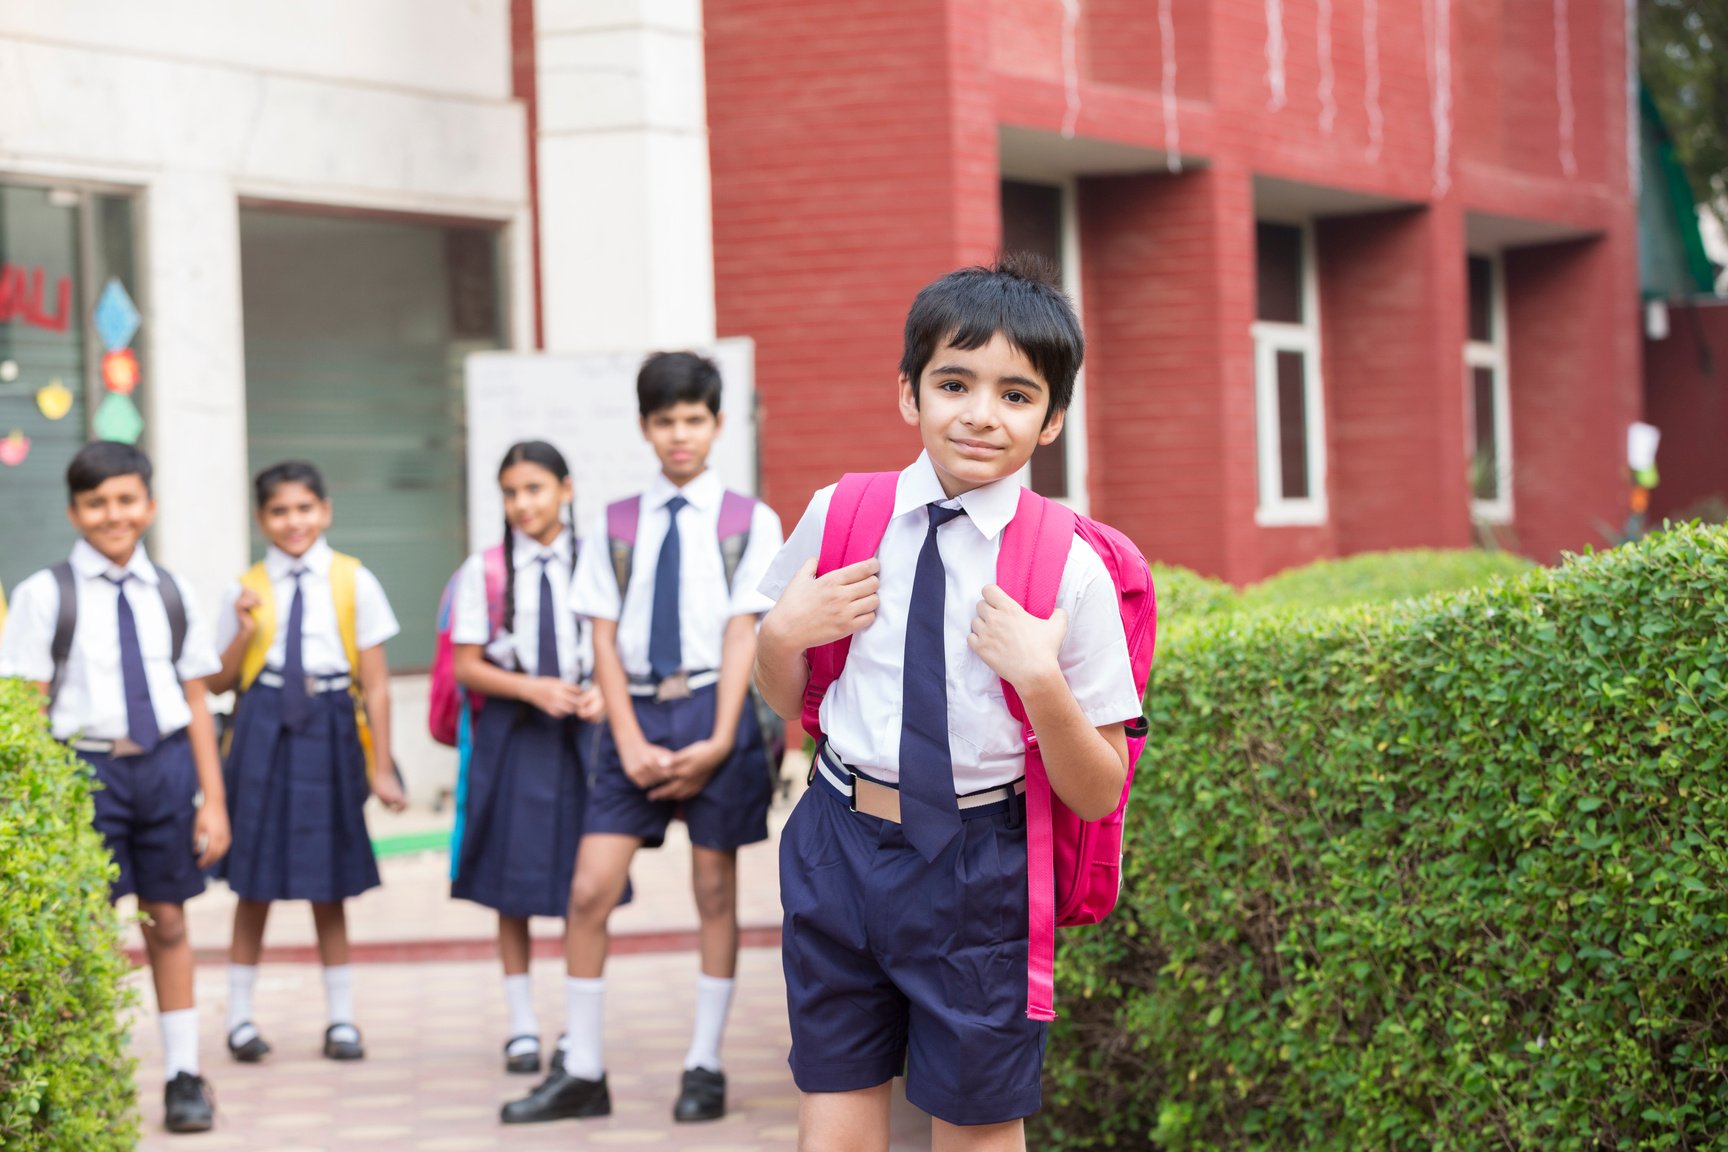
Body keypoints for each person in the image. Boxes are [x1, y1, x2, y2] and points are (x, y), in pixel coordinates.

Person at [753, 256, 1142, 1151]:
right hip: (839, 839)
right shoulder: (841, 514)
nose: (978, 413)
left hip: (981, 867)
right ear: (908, 394)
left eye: (1016, 394)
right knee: (835, 1102)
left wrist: (1040, 681)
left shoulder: (1069, 567)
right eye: (954, 382)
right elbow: (791, 699)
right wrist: (780, 639)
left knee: (973, 1126)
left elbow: (1099, 790)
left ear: (1052, 420)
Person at [502, 351, 782, 1125]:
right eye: (665, 421)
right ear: (644, 428)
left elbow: (741, 636)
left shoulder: (750, 522)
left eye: (694, 419)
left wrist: (722, 738)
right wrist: (624, 740)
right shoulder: (615, 523)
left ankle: (705, 1063)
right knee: (590, 888)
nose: (680, 435)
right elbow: (599, 637)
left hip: (710, 706)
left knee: (714, 888)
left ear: (717, 424)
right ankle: (583, 1067)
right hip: (633, 719)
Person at [0, 440, 230, 1134]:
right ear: (74, 511)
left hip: (162, 769)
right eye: (96, 502)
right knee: (89, 932)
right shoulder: (44, 595)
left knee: (169, 920)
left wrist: (212, 800)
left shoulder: (172, 591)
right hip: (82, 772)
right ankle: (95, 1072)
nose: (113, 514)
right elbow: (29, 707)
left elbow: (197, 700)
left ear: (149, 505)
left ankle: (183, 1075)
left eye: (126, 499)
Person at [206, 460, 406, 1065]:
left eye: (304, 508)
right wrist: (241, 629)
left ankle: (341, 1019)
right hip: (263, 724)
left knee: (331, 880)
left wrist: (382, 766)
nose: (293, 522)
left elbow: (375, 683)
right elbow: (216, 680)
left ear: (325, 511)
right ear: (260, 518)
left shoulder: (353, 580)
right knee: (253, 880)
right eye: (279, 511)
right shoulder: (244, 587)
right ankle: (239, 1019)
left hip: (330, 725)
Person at [449, 440, 604, 1075]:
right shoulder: (483, 571)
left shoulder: (599, 561)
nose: (522, 504)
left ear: (565, 490)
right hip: (513, 736)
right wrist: (531, 688)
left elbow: (613, 643)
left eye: (535, 489)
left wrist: (603, 693)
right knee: (509, 883)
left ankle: (576, 1027)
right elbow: (466, 666)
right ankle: (520, 1024)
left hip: (581, 737)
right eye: (511, 493)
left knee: (583, 885)